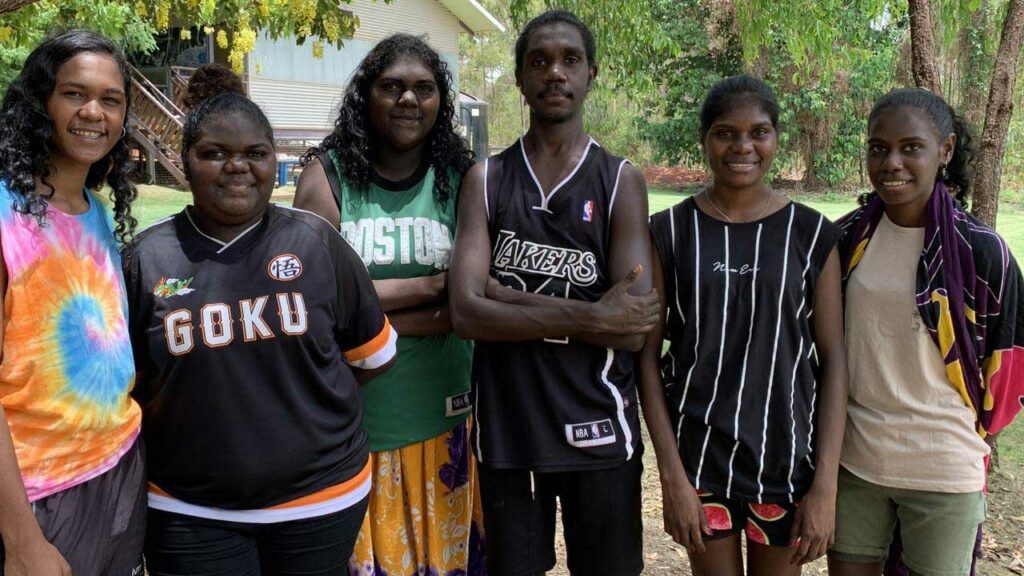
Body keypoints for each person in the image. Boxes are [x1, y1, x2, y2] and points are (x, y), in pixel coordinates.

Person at [123, 87, 396, 575]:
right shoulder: (146, 258)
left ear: (275, 160)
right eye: (214, 153)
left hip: (320, 498)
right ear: (186, 161)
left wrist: (292, 399)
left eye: (255, 153)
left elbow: (370, 358)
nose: (237, 166)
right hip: (189, 508)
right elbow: (131, 385)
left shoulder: (315, 242)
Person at [449, 10, 659, 576]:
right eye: (539, 61)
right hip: (508, 428)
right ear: (519, 78)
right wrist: (593, 315)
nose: (555, 73)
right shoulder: (486, 180)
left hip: (598, 424)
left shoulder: (620, 180)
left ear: (592, 73)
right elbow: (467, 312)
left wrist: (508, 298)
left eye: (570, 60)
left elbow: (634, 326)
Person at [638, 75, 848, 576]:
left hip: (785, 460)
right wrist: (671, 477)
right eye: (725, 133)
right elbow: (645, 358)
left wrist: (825, 486)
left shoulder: (812, 233)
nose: (743, 146)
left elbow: (835, 360)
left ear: (777, 139)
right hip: (700, 463)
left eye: (759, 132)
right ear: (705, 140)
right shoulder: (669, 232)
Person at [293, 33, 484, 575]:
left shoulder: (461, 180)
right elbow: (309, 304)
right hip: (354, 430)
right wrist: (430, 289)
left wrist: (367, 314)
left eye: (424, 89)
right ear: (366, 96)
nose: (409, 100)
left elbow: (468, 308)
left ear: (440, 103)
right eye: (392, 87)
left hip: (443, 423)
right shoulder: (326, 178)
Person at [828, 88, 1024, 576]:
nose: (892, 162)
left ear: (946, 150)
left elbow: (1009, 369)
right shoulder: (844, 239)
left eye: (910, 147)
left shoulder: (982, 253)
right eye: (879, 148)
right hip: (856, 464)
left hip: (944, 471)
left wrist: (965, 432)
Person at [0, 30, 143, 576]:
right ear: (41, 102)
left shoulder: (94, 212)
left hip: (120, 467)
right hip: (38, 494)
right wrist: (20, 541)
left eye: (111, 99)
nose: (93, 112)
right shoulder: (6, 215)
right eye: (74, 94)